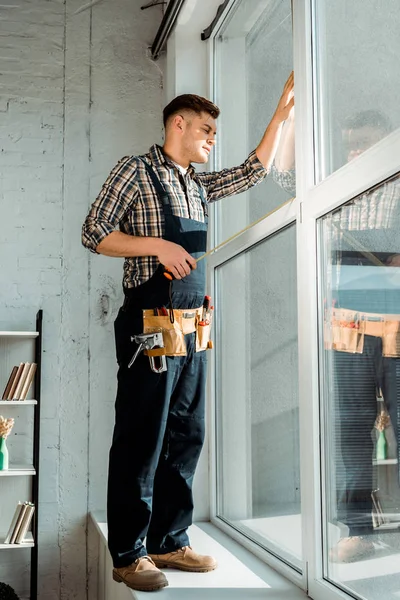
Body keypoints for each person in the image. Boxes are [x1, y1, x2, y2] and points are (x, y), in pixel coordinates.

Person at [82, 73, 294, 592]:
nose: (211, 139)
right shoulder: (135, 170)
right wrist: (158, 247)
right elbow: (96, 233)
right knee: (143, 435)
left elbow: (250, 173)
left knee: (186, 433)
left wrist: (281, 116)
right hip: (149, 322)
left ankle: (169, 541)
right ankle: (130, 554)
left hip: (193, 322)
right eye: (205, 129)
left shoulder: (195, 183)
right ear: (178, 123)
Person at [272, 109, 400, 564]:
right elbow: (282, 175)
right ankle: (358, 530)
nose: (356, 151)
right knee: (349, 432)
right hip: (347, 329)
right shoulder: (339, 190)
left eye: (365, 141)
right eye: (350, 143)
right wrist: (289, 113)